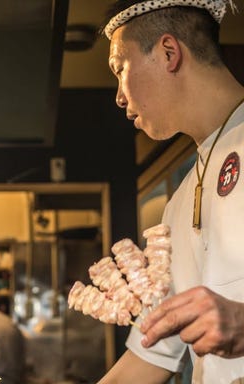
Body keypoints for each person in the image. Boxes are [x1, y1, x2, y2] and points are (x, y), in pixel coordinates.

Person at [96, 0, 244, 383]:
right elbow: (153, 354)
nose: (118, 96)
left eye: (120, 68)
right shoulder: (177, 205)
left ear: (168, 53)